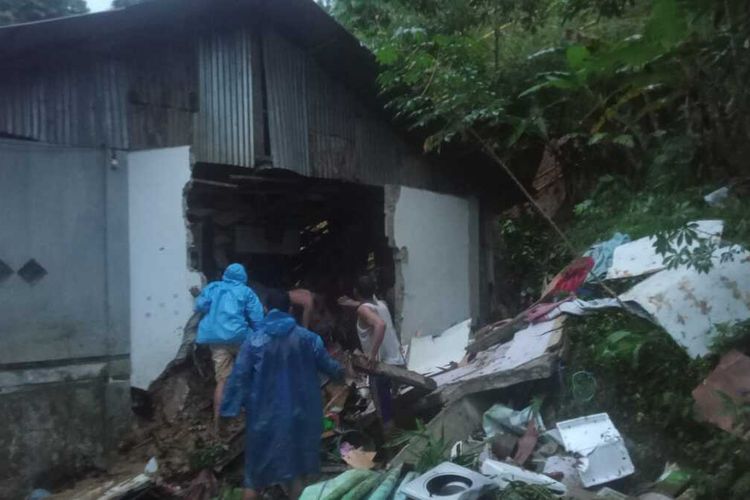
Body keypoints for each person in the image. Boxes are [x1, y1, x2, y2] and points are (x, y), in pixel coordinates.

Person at [221, 289, 344, 500]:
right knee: (297, 472)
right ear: (289, 310)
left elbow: (239, 377)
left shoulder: (253, 342)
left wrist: (229, 408)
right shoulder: (308, 339)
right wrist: (344, 373)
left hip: (263, 418)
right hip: (301, 416)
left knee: (254, 476)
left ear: (266, 310)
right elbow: (330, 366)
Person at [194, 263, 264, 433]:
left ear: (225, 274)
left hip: (215, 339)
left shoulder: (213, 287)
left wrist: (200, 296)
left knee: (222, 380)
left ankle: (217, 424)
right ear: (243, 277)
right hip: (239, 338)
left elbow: (200, 306)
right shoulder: (246, 292)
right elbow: (257, 318)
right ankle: (254, 416)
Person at [338, 274, 405, 430]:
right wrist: (352, 303)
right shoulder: (381, 304)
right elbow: (367, 306)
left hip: (381, 367)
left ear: (356, 291)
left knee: (385, 413)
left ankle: (392, 447)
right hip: (398, 363)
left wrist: (372, 354)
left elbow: (379, 325)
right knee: (396, 405)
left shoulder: (363, 309)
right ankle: (403, 437)